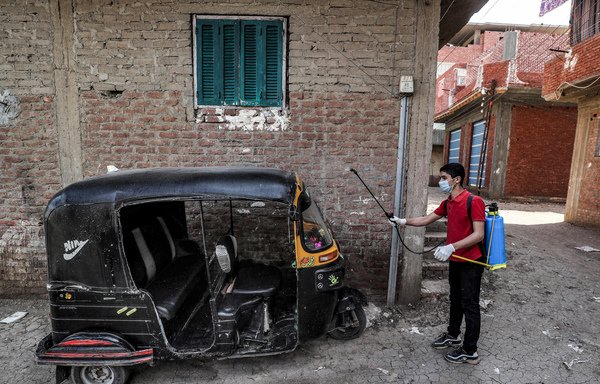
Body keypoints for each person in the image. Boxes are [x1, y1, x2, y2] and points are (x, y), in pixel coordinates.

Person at [390, 163, 486, 364]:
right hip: (456, 260)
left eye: (444, 178)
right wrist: (402, 222)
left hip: (471, 261)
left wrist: (452, 247)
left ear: (456, 179)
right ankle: (453, 335)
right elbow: (427, 219)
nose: (441, 181)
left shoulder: (473, 201)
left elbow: (479, 235)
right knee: (455, 299)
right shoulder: (448, 202)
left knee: (470, 304)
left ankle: (470, 351)